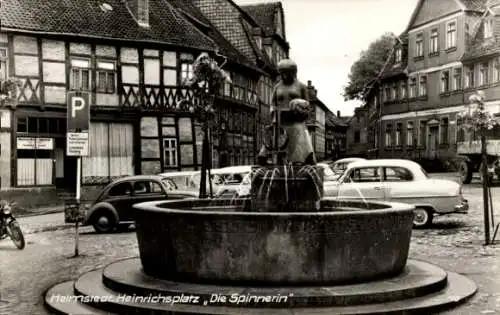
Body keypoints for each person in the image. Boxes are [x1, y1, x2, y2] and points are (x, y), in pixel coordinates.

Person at [257, 59, 316, 165]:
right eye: (282, 73)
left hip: (295, 121)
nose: (284, 75)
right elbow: (273, 103)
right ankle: (265, 156)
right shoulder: (277, 87)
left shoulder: (301, 86)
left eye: (286, 73)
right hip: (280, 122)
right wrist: (273, 112)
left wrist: (300, 106)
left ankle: (299, 158)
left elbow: (307, 105)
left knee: (298, 133)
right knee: (269, 141)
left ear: (293, 72)